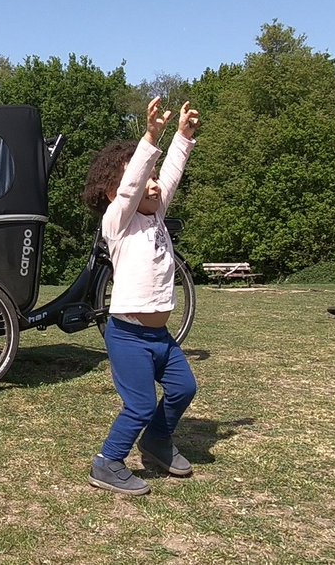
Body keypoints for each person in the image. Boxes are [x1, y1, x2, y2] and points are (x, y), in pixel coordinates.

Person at [80, 96, 200, 495]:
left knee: (184, 388)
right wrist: (150, 137)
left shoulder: (157, 216)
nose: (151, 184)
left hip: (160, 337)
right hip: (128, 335)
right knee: (140, 405)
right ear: (114, 193)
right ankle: (107, 462)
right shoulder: (118, 223)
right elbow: (133, 184)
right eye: (142, 176)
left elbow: (170, 178)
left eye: (154, 178)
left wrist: (181, 138)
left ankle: (156, 441)